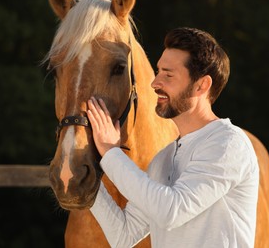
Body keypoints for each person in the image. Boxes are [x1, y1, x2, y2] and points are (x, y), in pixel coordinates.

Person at [87, 27, 259, 248]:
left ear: (201, 85)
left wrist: (111, 153)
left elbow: (171, 211)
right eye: (158, 71)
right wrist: (89, 180)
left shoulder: (228, 143)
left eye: (168, 75)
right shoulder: (163, 159)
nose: (154, 83)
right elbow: (124, 236)